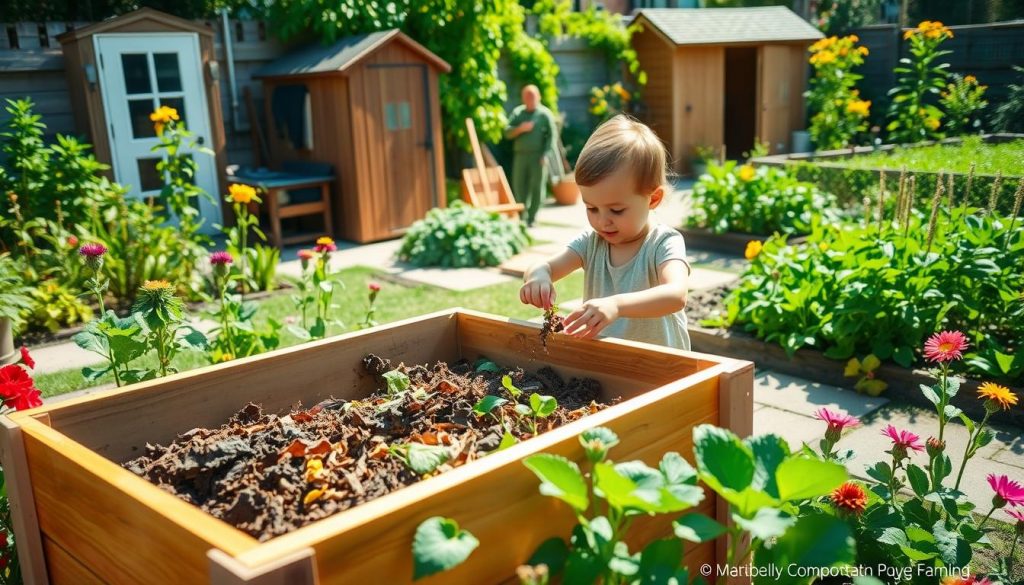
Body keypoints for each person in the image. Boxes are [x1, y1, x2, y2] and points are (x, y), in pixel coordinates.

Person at [519, 115, 691, 349]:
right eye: (591, 208)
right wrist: (538, 277)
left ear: (653, 199)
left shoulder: (663, 243)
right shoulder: (591, 243)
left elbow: (676, 295)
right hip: (607, 363)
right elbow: (544, 266)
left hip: (664, 369)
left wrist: (617, 305)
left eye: (616, 210)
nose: (602, 222)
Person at [504, 85, 559, 227]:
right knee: (519, 185)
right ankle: (522, 216)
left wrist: (546, 154)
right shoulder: (518, 113)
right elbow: (507, 132)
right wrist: (520, 129)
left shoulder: (544, 114)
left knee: (537, 187)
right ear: (523, 98)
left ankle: (532, 218)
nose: (530, 99)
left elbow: (552, 137)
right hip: (521, 156)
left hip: (538, 157)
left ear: (538, 97)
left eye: (533, 96)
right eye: (527, 96)